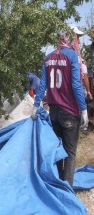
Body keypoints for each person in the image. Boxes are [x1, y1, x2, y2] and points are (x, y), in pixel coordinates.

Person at [31, 24, 89, 187]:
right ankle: (67, 190)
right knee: (70, 152)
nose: (77, 41)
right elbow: (76, 85)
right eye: (76, 37)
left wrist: (36, 105)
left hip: (54, 112)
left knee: (57, 151)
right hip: (70, 111)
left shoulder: (48, 57)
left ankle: (56, 183)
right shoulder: (72, 56)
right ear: (69, 37)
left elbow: (42, 84)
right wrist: (83, 108)